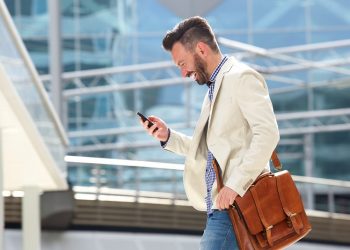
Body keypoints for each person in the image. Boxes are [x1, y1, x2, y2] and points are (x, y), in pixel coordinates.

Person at [139, 16, 280, 250]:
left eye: (182, 63)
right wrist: (168, 137)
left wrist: (235, 185)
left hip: (238, 204)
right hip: (221, 207)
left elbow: (267, 134)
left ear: (201, 49)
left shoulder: (241, 78)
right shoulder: (214, 88)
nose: (183, 73)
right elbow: (211, 151)